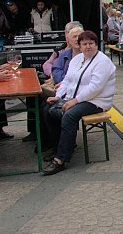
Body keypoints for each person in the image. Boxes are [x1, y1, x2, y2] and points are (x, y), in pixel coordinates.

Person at [42, 31, 116, 175]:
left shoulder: (103, 61)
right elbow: (67, 81)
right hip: (75, 98)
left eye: (91, 43)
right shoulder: (76, 60)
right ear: (80, 46)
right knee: (46, 110)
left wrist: (74, 101)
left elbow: (95, 88)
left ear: (96, 45)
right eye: (84, 44)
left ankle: (61, 159)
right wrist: (58, 96)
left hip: (96, 101)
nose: (88, 47)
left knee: (69, 115)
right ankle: (58, 147)